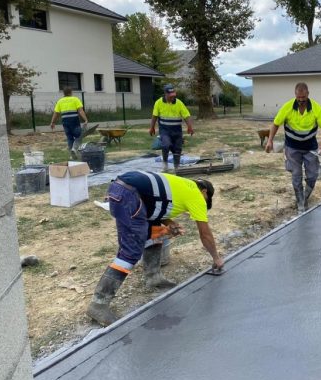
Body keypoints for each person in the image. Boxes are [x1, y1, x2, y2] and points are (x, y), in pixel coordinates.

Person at [87, 172, 223, 326]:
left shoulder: (182, 184)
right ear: (204, 192)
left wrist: (170, 223)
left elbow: (155, 201)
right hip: (130, 195)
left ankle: (153, 277)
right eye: (206, 200)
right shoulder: (196, 195)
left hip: (123, 190)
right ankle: (98, 304)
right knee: (130, 251)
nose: (204, 204)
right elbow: (205, 234)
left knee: (156, 232)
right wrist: (216, 258)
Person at [265, 82, 321, 213]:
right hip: (292, 147)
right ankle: (300, 201)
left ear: (308, 95)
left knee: (313, 175)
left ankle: (305, 197)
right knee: (296, 174)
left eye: (303, 98)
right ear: (295, 95)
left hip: (310, 147)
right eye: (298, 98)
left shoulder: (316, 108)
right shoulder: (288, 107)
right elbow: (276, 123)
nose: (301, 100)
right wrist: (270, 141)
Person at [149, 84, 194, 172]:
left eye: (173, 96)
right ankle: (165, 164)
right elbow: (154, 116)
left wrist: (190, 127)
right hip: (164, 130)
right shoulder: (158, 103)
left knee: (177, 149)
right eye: (170, 96)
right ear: (165, 94)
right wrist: (152, 127)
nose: (172, 98)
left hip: (177, 130)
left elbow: (186, 116)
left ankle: (176, 168)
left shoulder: (179, 103)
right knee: (166, 145)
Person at [50, 87, 88, 159]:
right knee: (79, 136)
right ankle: (74, 149)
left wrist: (52, 122)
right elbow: (80, 111)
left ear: (63, 93)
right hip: (74, 121)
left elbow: (56, 113)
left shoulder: (60, 101)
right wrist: (85, 119)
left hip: (65, 121)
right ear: (71, 92)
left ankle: (72, 155)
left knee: (70, 138)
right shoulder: (75, 99)